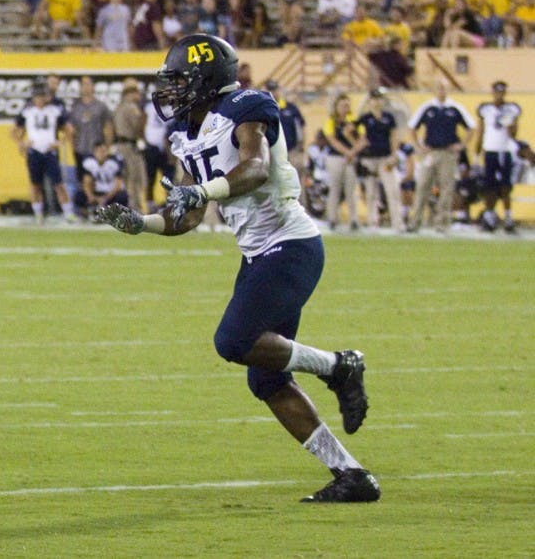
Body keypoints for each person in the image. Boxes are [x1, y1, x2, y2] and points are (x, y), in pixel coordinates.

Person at [95, 34, 379, 503]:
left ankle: (337, 366)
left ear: (206, 79)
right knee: (265, 377)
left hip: (291, 245)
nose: (171, 92)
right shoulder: (187, 131)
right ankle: (351, 475)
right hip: (258, 255)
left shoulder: (245, 108)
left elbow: (255, 168)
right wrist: (142, 223)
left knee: (233, 341)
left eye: (180, 80)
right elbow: (188, 215)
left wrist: (202, 191)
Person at [407, 80, 476, 233]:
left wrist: (462, 145)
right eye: (438, 88)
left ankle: (442, 223)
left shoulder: (455, 108)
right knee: (422, 186)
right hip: (430, 152)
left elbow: (471, 127)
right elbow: (412, 127)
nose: (441, 91)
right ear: (434, 90)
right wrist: (418, 146)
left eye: (444, 88)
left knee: (446, 188)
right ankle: (415, 221)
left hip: (447, 153)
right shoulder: (427, 108)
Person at [11, 80, 76, 224]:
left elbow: (69, 129)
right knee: (35, 184)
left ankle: (68, 213)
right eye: (37, 97)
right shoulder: (27, 111)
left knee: (58, 183)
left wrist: (59, 143)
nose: (40, 100)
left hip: (49, 151)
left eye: (42, 96)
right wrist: (22, 143)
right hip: (34, 151)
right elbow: (14, 130)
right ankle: (38, 213)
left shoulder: (55, 110)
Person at [352, 89, 404, 231]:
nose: (377, 102)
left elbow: (394, 136)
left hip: (385, 158)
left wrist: (394, 155)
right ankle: (373, 222)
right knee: (371, 193)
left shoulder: (388, 118)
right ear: (369, 101)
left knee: (392, 190)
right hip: (369, 159)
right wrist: (358, 146)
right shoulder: (365, 118)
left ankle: (398, 223)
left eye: (379, 98)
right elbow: (351, 131)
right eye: (374, 99)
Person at [475, 80, 522, 232]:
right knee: (489, 186)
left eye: (501, 92)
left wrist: (509, 123)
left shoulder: (511, 109)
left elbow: (513, 134)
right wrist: (477, 151)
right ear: (493, 92)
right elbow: (481, 130)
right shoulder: (485, 109)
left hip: (504, 151)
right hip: (490, 150)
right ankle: (489, 216)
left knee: (505, 187)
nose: (499, 95)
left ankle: (508, 217)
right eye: (497, 92)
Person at [323, 93, 361, 231]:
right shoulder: (331, 121)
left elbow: (361, 140)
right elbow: (332, 140)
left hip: (351, 158)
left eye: (347, 105)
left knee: (351, 189)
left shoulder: (354, 121)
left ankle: (354, 219)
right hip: (336, 157)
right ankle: (333, 218)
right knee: (335, 188)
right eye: (343, 105)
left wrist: (353, 151)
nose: (345, 108)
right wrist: (347, 152)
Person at [68, 75, 114, 181]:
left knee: (97, 181)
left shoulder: (101, 106)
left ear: (93, 87)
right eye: (83, 84)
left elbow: (108, 127)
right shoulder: (75, 106)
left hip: (97, 151)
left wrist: (107, 147)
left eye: (88, 84)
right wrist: (73, 146)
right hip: (80, 150)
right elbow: (70, 129)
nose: (86, 87)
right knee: (81, 179)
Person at [111, 83, 147, 213]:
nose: (138, 96)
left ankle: (126, 206)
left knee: (125, 178)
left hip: (119, 145)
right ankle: (135, 208)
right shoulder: (132, 107)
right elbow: (137, 127)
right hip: (130, 146)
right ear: (130, 94)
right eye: (136, 93)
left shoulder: (118, 108)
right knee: (136, 178)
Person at [74, 139, 128, 219]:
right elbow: (86, 182)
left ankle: (111, 213)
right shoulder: (89, 162)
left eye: (103, 151)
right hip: (96, 193)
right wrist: (91, 196)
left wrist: (105, 198)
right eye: (99, 151)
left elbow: (118, 185)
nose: (101, 154)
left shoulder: (114, 162)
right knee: (79, 195)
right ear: (94, 152)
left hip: (110, 194)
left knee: (122, 196)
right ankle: (89, 213)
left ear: (107, 152)